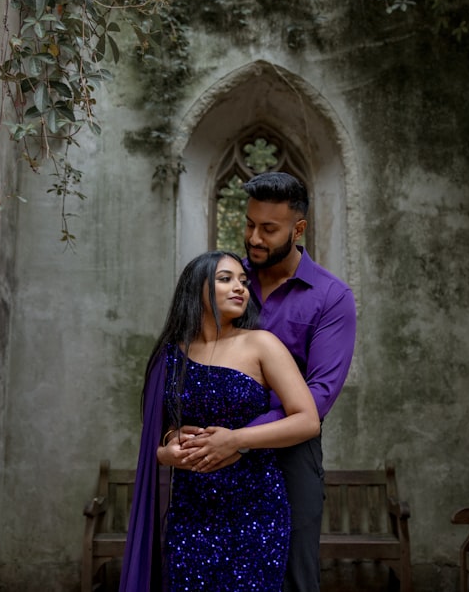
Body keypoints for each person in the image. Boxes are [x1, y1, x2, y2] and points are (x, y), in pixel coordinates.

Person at [179, 172, 358, 592]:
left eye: (268, 229)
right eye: (249, 224)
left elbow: (319, 397)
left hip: (291, 453)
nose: (254, 238)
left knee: (293, 577)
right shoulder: (228, 282)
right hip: (214, 446)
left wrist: (239, 438)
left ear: (298, 230)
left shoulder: (332, 297)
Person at [119, 250, 321, 592]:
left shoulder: (262, 344)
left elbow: (307, 421)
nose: (239, 287)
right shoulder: (171, 354)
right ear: (195, 288)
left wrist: (237, 440)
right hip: (191, 510)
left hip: (255, 509)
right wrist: (166, 450)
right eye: (225, 279)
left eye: (243, 281)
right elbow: (162, 431)